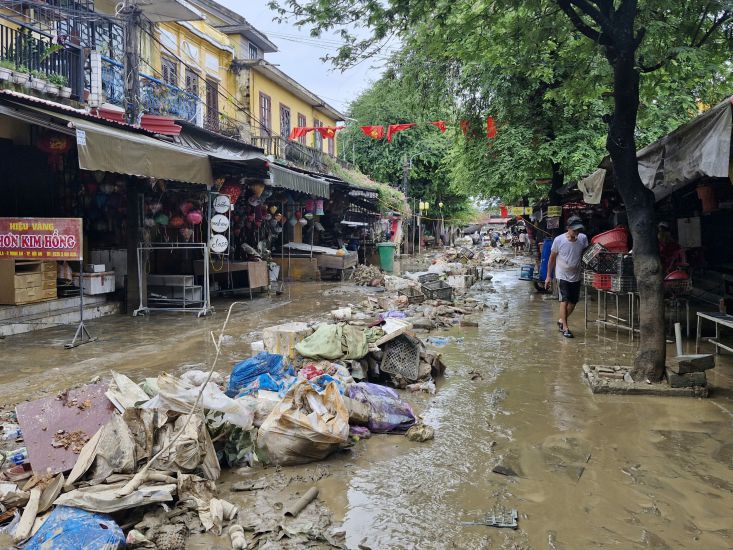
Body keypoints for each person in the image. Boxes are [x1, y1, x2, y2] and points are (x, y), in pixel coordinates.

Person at [545, 216, 588, 338]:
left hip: (576, 274)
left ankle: (561, 321)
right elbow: (551, 259)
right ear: (568, 228)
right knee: (564, 300)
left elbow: (585, 253)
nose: (576, 233)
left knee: (573, 302)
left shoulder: (583, 238)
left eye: (578, 230)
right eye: (574, 230)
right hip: (562, 274)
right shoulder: (559, 240)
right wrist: (548, 276)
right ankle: (565, 327)